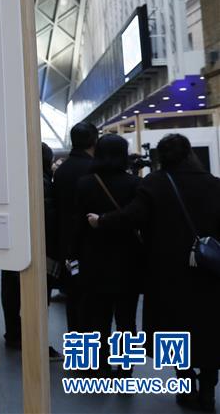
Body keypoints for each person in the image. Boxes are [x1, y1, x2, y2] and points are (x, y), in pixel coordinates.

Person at [88, 134, 220, 410]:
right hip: (209, 272)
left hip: (166, 273)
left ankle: (186, 384)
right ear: (189, 154)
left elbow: (131, 216)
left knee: (174, 329)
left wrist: (102, 221)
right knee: (209, 330)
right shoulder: (213, 184)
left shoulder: (155, 184)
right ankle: (208, 390)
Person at [73, 134, 143, 374]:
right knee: (127, 320)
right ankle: (126, 369)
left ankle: (99, 366)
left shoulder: (84, 183)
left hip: (94, 259)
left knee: (98, 318)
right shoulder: (134, 184)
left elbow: (78, 226)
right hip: (128, 260)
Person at [1, 143, 62, 360]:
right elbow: (48, 219)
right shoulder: (43, 183)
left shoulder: (14, 179)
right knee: (35, 298)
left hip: (13, 246)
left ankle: (14, 334)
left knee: (11, 293)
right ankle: (34, 341)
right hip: (35, 250)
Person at [53, 121, 97, 333]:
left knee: (73, 298)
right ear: (93, 140)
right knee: (94, 302)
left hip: (68, 245)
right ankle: (96, 356)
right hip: (93, 242)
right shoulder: (94, 169)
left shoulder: (62, 171)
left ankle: (78, 353)